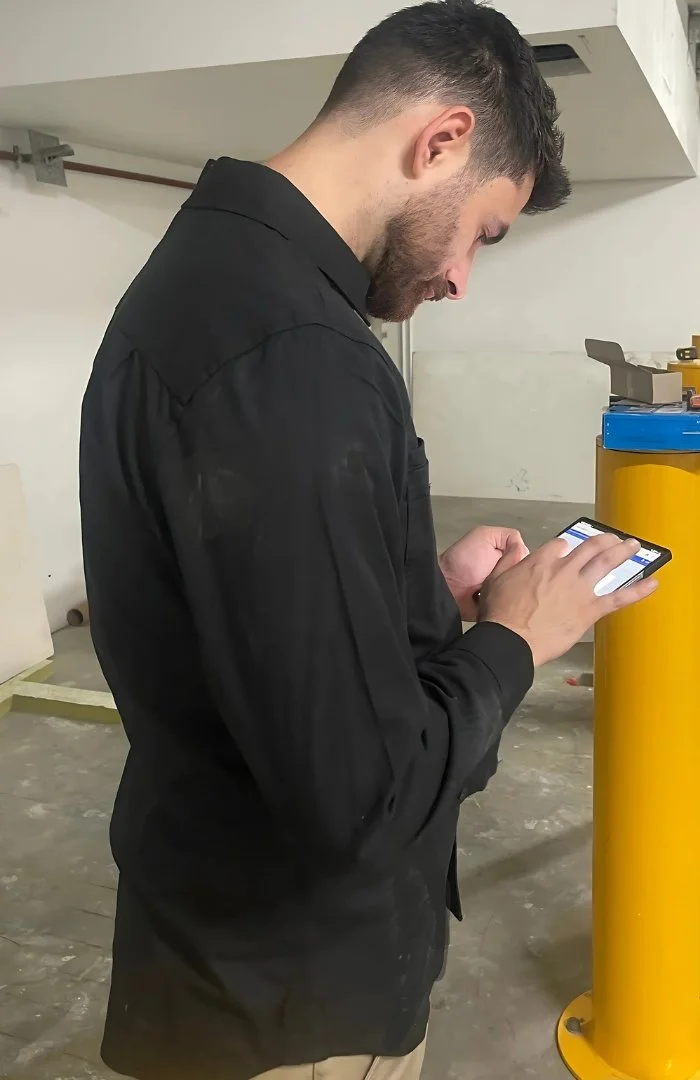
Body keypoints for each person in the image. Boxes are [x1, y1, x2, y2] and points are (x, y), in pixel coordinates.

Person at [79, 2, 657, 1078]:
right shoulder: (298, 354)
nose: (461, 278)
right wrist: (517, 639)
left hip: (215, 946)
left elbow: (249, 604)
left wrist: (417, 590)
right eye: (482, 232)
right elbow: (363, 801)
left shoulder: (210, 279)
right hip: (293, 1005)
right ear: (440, 141)